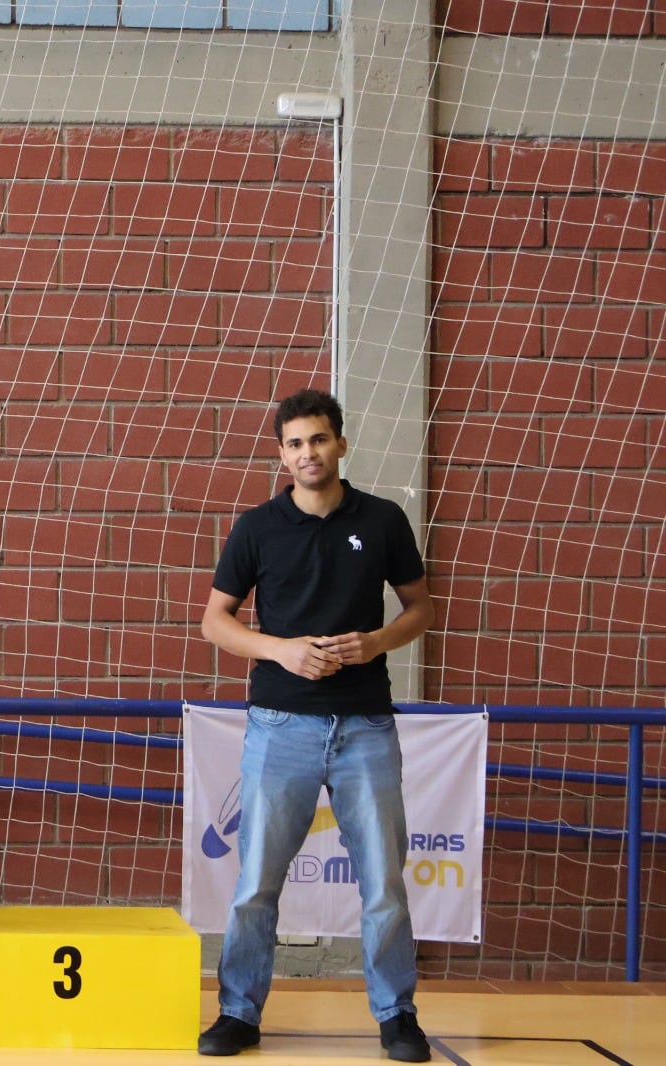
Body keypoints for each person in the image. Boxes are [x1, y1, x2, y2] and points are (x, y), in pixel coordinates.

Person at [197, 388, 436, 1062]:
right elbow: (215, 619)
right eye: (296, 443)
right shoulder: (256, 527)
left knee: (385, 881)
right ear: (281, 453)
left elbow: (420, 608)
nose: (309, 453)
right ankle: (240, 1013)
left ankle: (397, 1015)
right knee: (254, 886)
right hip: (279, 728)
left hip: (365, 727)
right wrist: (280, 648)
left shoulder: (384, 520)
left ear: (341, 444)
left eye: (320, 439)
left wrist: (377, 642)